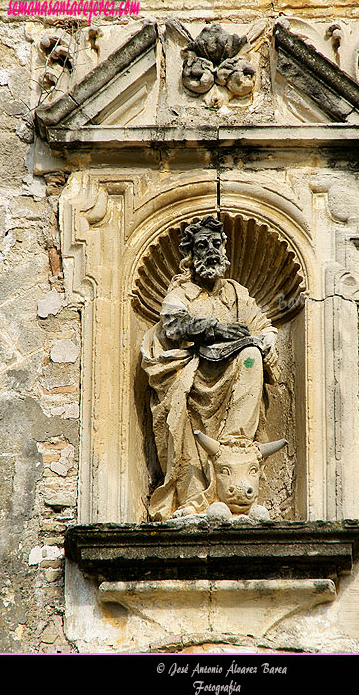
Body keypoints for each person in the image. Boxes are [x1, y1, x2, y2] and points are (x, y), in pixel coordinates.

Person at [141, 215, 279, 520]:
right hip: (194, 375)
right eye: (203, 246)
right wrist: (215, 330)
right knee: (185, 429)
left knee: (252, 356)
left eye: (216, 244)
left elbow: (263, 325)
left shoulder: (235, 293)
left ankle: (236, 443)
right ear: (191, 258)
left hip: (235, 373)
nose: (212, 251)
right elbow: (174, 325)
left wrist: (266, 339)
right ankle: (194, 497)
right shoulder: (182, 294)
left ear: (225, 250)